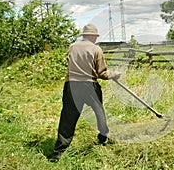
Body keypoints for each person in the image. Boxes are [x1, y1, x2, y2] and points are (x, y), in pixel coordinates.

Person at [48, 23, 121, 162]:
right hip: (89, 85)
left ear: (83, 36)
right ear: (93, 36)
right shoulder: (96, 49)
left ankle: (57, 153)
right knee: (99, 112)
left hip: (71, 86)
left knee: (68, 118)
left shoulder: (72, 47)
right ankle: (103, 137)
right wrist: (114, 74)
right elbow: (102, 73)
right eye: (95, 36)